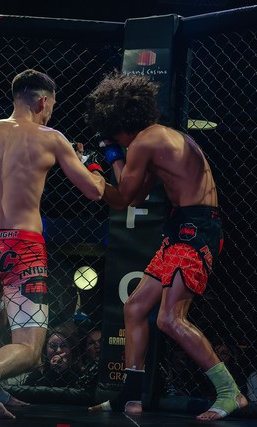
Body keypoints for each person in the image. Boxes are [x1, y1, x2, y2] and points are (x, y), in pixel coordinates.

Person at [0, 69, 105, 419]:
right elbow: (94, 191)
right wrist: (94, 164)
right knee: (29, 347)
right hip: (21, 249)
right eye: (51, 107)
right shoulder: (51, 138)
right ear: (42, 101)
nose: (50, 113)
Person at [85, 72, 246, 421]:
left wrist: (92, 169)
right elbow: (135, 195)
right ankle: (130, 396)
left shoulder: (144, 142)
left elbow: (121, 197)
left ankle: (230, 391)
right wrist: (110, 157)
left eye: (114, 135)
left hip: (195, 229)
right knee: (135, 307)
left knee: (170, 318)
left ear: (118, 124)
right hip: (184, 227)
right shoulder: (163, 137)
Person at [23, 322, 82, 388]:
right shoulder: (38, 373)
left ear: (71, 349)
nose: (58, 350)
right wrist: (53, 371)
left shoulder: (80, 373)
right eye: (53, 345)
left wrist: (65, 371)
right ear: (46, 350)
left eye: (64, 345)